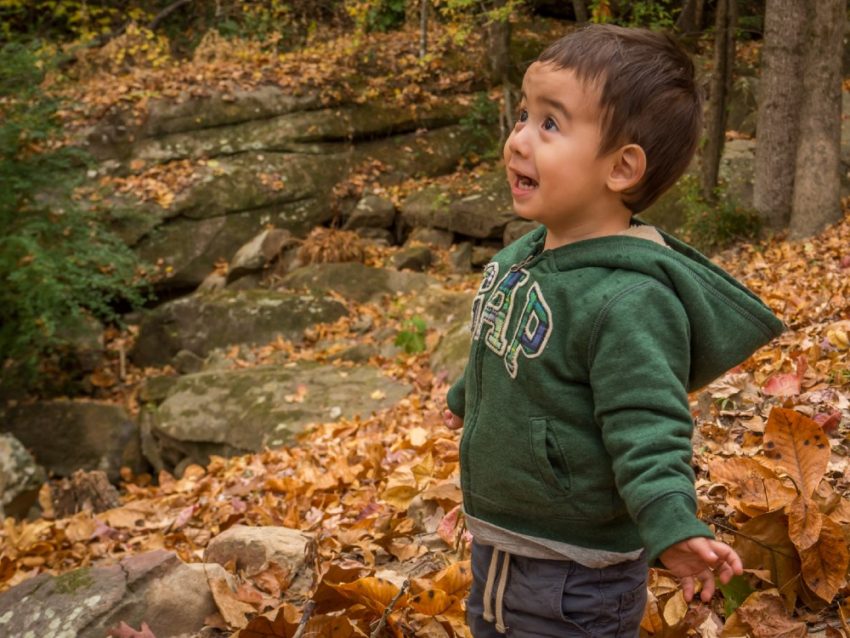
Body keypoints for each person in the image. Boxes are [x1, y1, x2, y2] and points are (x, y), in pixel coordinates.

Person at [442, 24, 785, 638]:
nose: (518, 139)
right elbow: (504, 343)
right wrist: (466, 397)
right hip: (503, 548)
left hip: (576, 580)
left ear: (622, 167)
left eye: (550, 123)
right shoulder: (523, 255)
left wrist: (672, 526)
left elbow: (647, 424)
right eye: (523, 115)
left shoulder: (629, 301)